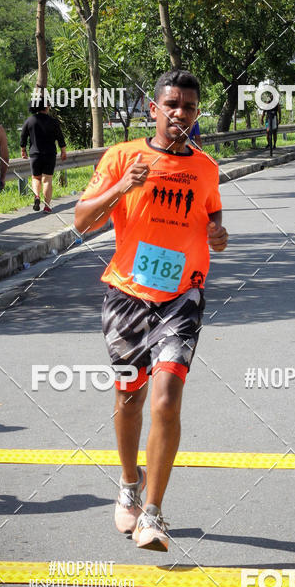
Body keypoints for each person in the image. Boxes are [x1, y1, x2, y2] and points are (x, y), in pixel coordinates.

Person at [74, 69, 228, 552]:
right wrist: (122, 187)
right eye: (171, 104)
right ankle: (128, 482)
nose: (179, 113)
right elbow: (81, 222)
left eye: (188, 106)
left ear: (197, 112)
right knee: (130, 398)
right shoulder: (121, 157)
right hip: (126, 295)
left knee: (165, 398)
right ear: (153, 109)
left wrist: (219, 233)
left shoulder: (205, 167)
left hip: (182, 296)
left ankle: (154, 515)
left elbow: (213, 214)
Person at [20, 101, 67, 213]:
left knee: (36, 178)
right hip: (50, 154)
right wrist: (63, 150)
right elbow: (60, 137)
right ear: (46, 107)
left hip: (35, 154)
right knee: (47, 180)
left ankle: (37, 196)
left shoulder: (29, 121)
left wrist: (23, 150)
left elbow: (23, 136)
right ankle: (47, 206)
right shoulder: (53, 122)